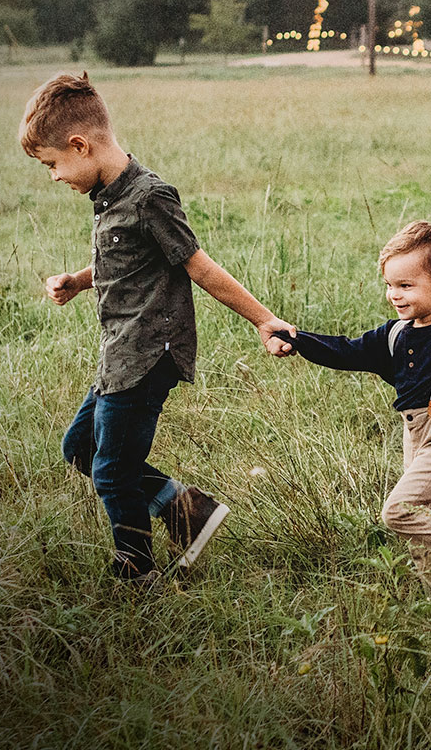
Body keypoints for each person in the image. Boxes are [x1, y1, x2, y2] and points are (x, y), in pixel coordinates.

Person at [22, 72, 295, 583]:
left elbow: (199, 266)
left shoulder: (150, 197)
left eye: (53, 164)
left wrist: (265, 320)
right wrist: (80, 281)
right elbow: (126, 263)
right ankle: (186, 511)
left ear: (80, 145)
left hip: (149, 354)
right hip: (119, 353)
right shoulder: (108, 197)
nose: (54, 176)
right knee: (80, 448)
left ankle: (137, 569)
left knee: (112, 471)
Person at [271, 221, 431, 601]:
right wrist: (297, 339)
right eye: (390, 285)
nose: (394, 295)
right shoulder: (394, 334)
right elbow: (345, 351)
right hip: (416, 439)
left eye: (405, 286)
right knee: (425, 529)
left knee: (400, 511)